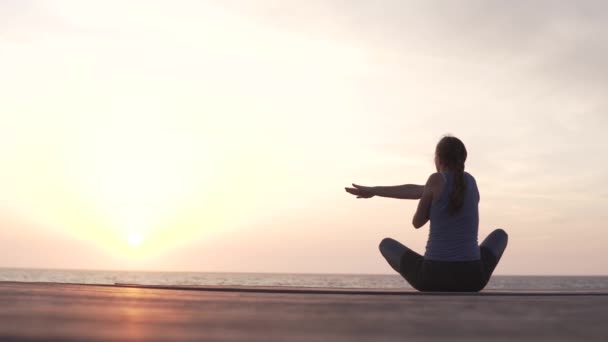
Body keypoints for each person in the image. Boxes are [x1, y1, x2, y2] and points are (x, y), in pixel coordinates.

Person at [345, 135, 508, 292]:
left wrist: (431, 205)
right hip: (473, 279)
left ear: (438, 158)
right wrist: (375, 191)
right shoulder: (471, 182)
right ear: (463, 159)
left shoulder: (435, 180)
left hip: (432, 278)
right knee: (501, 235)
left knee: (386, 244)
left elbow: (417, 222)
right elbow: (413, 189)